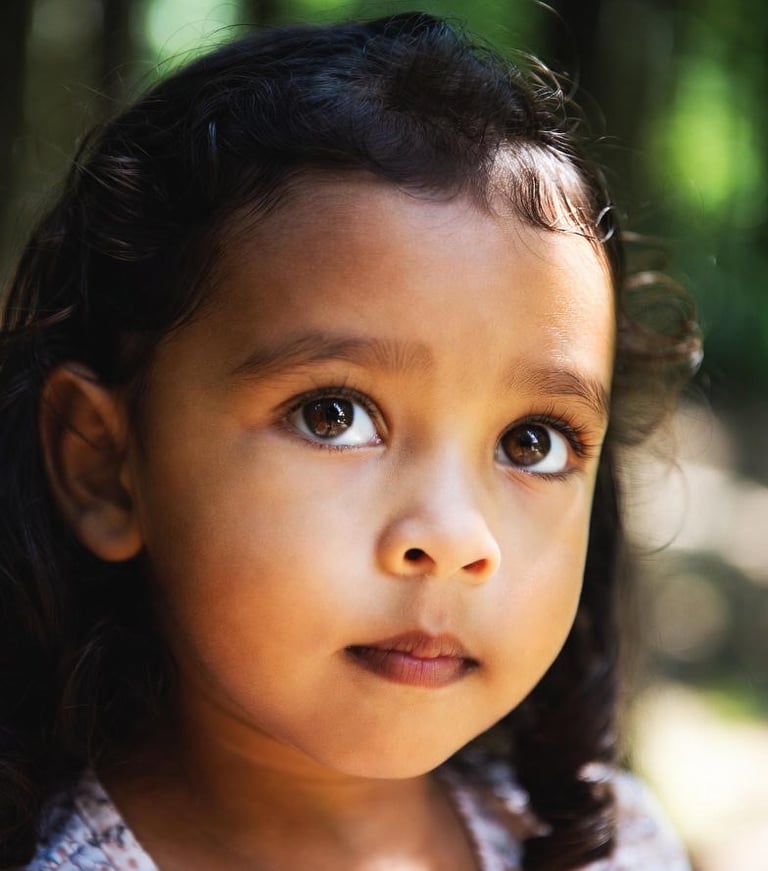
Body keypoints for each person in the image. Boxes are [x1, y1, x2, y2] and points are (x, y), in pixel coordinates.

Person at [0, 12, 701, 871]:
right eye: (334, 415)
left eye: (532, 442)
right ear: (105, 465)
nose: (453, 538)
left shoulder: (612, 845)